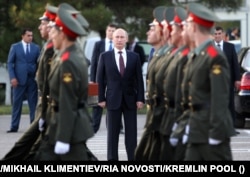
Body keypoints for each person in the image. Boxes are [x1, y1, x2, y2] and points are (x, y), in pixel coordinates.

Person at [34, 4, 94, 160]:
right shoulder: (67, 56)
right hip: (60, 124)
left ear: (62, 34)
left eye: (54, 31)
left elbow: (67, 102)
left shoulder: (68, 61)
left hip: (70, 128)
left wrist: (63, 137)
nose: (51, 35)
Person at [2, 4, 57, 161]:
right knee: (30, 147)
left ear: (52, 25)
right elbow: (11, 63)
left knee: (28, 147)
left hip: (47, 104)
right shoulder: (18, 47)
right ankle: (14, 126)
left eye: (43, 23)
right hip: (23, 84)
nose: (40, 27)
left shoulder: (47, 48)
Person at [182, 2, 235, 160]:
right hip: (197, 128)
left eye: (188, 24)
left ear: (195, 27)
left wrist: (216, 133)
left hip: (211, 132)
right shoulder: (198, 55)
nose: (186, 27)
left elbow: (219, 98)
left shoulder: (214, 56)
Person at [97, 28, 144, 161]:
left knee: (131, 135)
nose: (119, 39)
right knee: (112, 135)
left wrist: (141, 98)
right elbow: (99, 79)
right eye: (117, 37)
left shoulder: (134, 57)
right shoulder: (105, 56)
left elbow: (139, 79)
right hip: (112, 100)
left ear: (126, 39)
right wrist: (100, 98)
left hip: (130, 100)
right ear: (112, 39)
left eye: (122, 37)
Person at [134, 6, 173, 160]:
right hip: (156, 119)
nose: (148, 32)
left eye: (153, 28)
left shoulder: (171, 57)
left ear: (164, 31)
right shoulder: (156, 55)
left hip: (166, 121)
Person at [90, 23, 124, 134]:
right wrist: (92, 79)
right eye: (109, 30)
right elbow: (94, 62)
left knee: (115, 103)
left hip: (113, 80)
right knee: (97, 104)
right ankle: (94, 127)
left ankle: (116, 127)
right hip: (99, 79)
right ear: (106, 31)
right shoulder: (98, 44)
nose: (111, 32)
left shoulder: (118, 45)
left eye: (113, 31)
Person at [7, 28, 40, 133]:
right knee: (17, 104)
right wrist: (12, 77)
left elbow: (39, 63)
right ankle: (14, 126)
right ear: (23, 36)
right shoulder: (15, 47)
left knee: (33, 104)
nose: (30, 37)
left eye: (31, 36)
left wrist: (38, 75)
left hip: (32, 80)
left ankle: (33, 126)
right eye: (28, 35)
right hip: (18, 80)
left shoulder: (36, 48)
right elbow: (10, 63)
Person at [213, 26, 241, 131]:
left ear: (223, 34)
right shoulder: (211, 48)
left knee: (230, 103)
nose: (217, 36)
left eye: (219, 33)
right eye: (215, 34)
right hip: (214, 81)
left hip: (228, 80)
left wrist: (237, 79)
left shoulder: (230, 47)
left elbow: (235, 64)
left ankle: (231, 127)